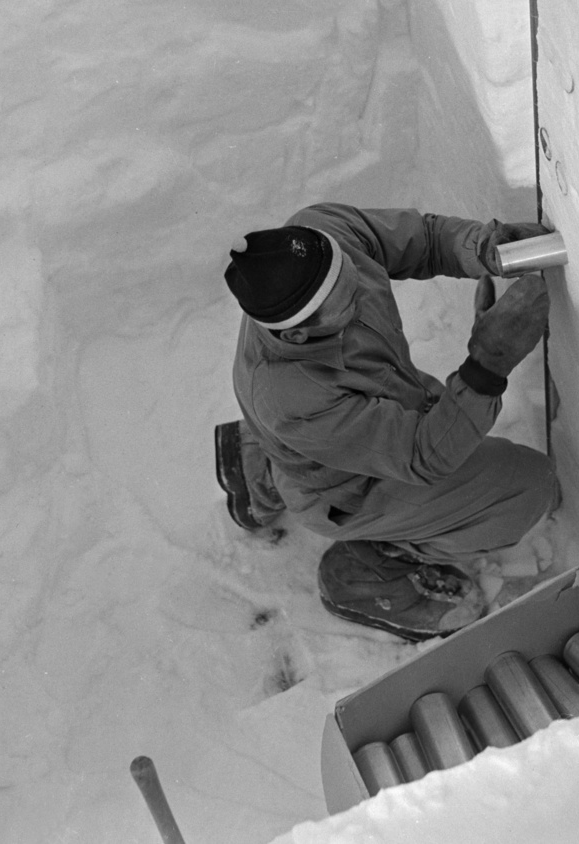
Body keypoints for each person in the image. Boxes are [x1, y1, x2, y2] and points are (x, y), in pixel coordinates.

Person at [215, 202, 557, 642]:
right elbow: (422, 455)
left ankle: (263, 462)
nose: (357, 290)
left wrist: (485, 247)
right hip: (351, 489)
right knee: (528, 487)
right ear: (297, 335)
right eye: (341, 302)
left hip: (337, 432)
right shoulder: (293, 397)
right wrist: (490, 361)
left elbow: (425, 240)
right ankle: (370, 567)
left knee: (418, 418)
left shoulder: (323, 233)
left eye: (347, 272)